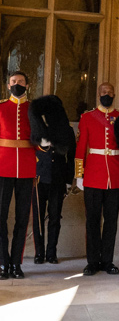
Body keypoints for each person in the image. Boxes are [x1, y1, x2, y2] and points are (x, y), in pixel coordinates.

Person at [75, 83, 119, 276]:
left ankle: (107, 260)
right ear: (98, 95)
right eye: (103, 92)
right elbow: (81, 147)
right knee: (92, 220)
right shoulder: (87, 117)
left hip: (114, 176)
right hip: (93, 176)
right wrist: (79, 174)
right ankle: (92, 261)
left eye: (110, 92)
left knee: (111, 221)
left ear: (114, 94)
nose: (107, 95)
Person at [31, 96, 76, 265]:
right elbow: (30, 148)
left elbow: (70, 157)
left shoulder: (67, 130)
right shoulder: (37, 127)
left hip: (57, 178)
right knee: (38, 217)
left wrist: (68, 180)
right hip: (39, 177)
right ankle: (39, 253)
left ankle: (51, 253)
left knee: (55, 218)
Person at [0, 71, 35, 279]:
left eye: (21, 82)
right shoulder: (2, 108)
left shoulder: (33, 110)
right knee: (0, 217)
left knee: (22, 218)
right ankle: (3, 262)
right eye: (13, 82)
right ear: (7, 85)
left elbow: (39, 141)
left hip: (26, 169)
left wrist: (44, 145)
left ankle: (16, 263)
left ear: (27, 86)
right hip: (3, 168)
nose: (17, 85)